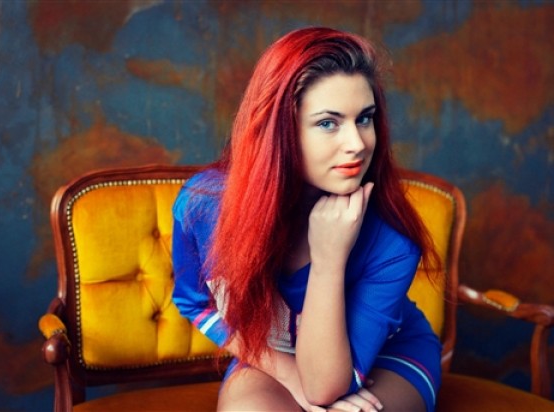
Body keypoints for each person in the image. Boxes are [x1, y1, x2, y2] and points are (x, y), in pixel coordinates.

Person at [172, 27, 442, 412]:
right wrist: (287, 374)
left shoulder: (392, 239)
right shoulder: (204, 205)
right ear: (277, 128)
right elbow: (195, 303)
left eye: (365, 119)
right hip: (273, 354)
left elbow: (324, 387)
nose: (357, 144)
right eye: (328, 123)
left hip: (386, 354)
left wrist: (329, 257)